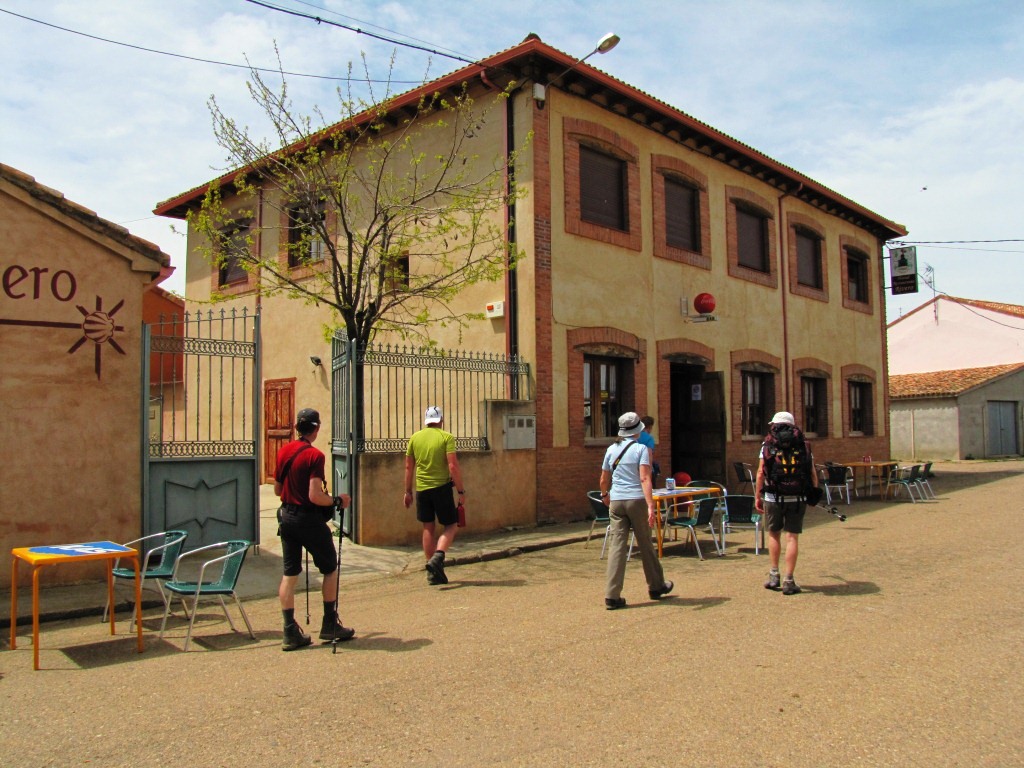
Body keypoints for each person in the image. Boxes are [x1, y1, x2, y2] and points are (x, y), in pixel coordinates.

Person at [274, 407, 355, 650]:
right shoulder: (315, 456)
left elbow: (278, 490)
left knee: (290, 574)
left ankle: (289, 630)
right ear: (316, 428)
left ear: (298, 428)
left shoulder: (283, 451)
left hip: (286, 517)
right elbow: (314, 496)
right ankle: (330, 623)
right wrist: (338, 500)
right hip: (308, 519)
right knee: (330, 568)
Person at [599, 411, 673, 609]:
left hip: (616, 500)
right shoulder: (641, 449)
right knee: (645, 543)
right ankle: (656, 585)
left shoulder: (611, 449)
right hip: (636, 500)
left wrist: (605, 495)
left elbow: (604, 479)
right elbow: (645, 478)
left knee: (617, 546)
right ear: (637, 430)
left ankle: (612, 595)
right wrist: (650, 505)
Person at [754, 411, 819, 596]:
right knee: (792, 537)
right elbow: (812, 472)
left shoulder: (767, 445)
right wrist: (813, 493)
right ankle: (789, 580)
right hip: (797, 497)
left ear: (774, 425)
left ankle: (774, 575)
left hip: (773, 496)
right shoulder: (804, 445)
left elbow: (760, 472)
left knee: (774, 534)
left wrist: (757, 496)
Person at [404, 405, 465, 585]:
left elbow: (408, 467)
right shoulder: (446, 437)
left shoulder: (415, 438)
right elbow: (452, 466)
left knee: (428, 527)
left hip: (422, 489)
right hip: (441, 488)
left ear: (426, 421)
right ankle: (438, 557)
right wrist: (461, 491)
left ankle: (432, 573)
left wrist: (407, 491)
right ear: (441, 420)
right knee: (451, 525)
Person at [638, 415, 660, 486]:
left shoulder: (635, 436)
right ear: (650, 427)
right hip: (645, 469)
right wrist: (649, 474)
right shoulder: (649, 438)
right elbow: (649, 456)